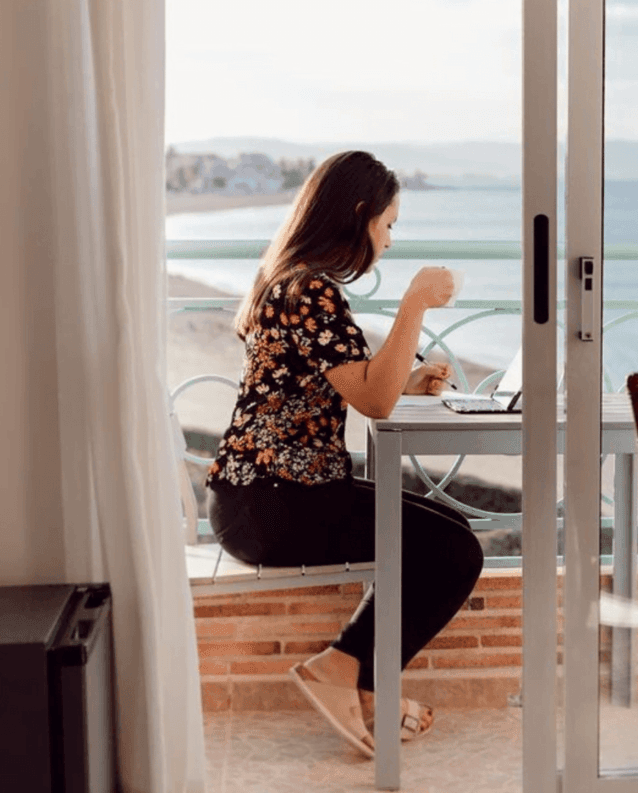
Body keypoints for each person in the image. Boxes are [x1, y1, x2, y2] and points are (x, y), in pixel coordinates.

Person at [204, 150, 484, 757]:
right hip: (273, 505)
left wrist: (405, 380)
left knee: (452, 531)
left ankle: (363, 684)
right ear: (359, 216)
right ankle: (343, 668)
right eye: (388, 225)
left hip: (265, 495)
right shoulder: (311, 291)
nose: (390, 240)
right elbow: (375, 404)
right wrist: (415, 303)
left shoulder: (290, 277)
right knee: (455, 550)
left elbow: (355, 385)